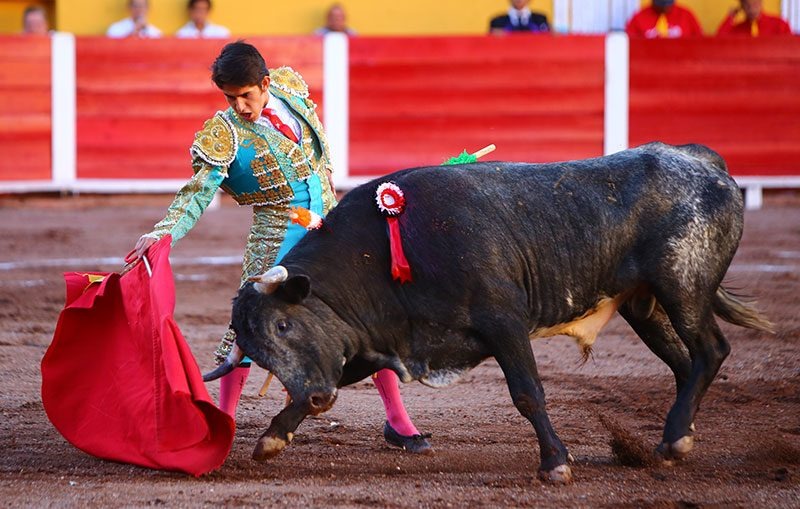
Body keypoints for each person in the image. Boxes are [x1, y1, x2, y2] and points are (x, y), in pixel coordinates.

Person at [131, 41, 432, 454]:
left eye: (245, 95)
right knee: (247, 324)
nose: (239, 106)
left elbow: (318, 154)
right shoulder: (223, 133)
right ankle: (224, 421)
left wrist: (333, 200)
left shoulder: (291, 89)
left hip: (331, 230)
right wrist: (163, 232)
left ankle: (398, 421)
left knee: (367, 320)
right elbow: (197, 193)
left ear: (266, 84)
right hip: (277, 235)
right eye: (230, 98)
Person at [625, 0, 703, 38]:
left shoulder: (686, 15)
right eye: (661, 3)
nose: (665, 7)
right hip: (649, 62)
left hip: (682, 62)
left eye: (668, 3)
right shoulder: (639, 17)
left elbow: (699, 42)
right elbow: (628, 45)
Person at [717, 0, 792, 36]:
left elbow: (789, 48)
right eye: (747, 4)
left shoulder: (779, 24)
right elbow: (719, 41)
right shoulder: (737, 29)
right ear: (741, 6)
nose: (751, 7)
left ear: (761, 2)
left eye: (754, 2)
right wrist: (730, 16)